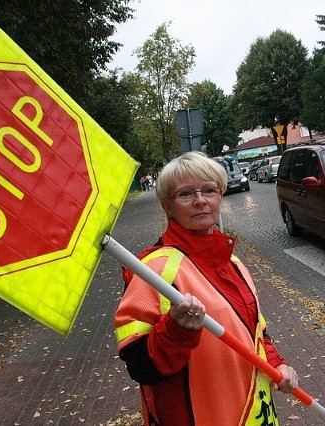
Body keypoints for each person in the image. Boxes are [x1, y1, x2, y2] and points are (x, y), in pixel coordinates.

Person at [114, 151, 298, 425]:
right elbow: (140, 366)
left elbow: (255, 332)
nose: (201, 201)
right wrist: (176, 330)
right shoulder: (154, 270)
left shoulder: (234, 263)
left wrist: (275, 364)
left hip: (254, 415)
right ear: (167, 205)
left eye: (209, 190)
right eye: (186, 194)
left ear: (220, 195)